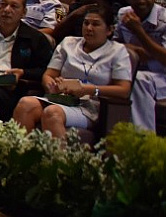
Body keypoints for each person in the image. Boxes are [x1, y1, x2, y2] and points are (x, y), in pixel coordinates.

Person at [13, 9, 131, 140]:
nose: (89, 28)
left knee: (52, 113)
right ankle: (20, 151)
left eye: (95, 24)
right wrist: (51, 86)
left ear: (109, 30)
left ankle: (59, 154)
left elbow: (124, 90)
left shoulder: (117, 51)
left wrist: (88, 89)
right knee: (25, 104)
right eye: (86, 23)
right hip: (62, 99)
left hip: (91, 106)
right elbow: (48, 75)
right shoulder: (68, 43)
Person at [116, 0, 166, 133]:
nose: (141, 1)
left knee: (139, 79)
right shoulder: (123, 14)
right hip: (130, 69)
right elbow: (113, 46)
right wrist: (136, 51)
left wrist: (139, 32)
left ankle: (143, 138)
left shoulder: (164, 19)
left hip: (162, 75)